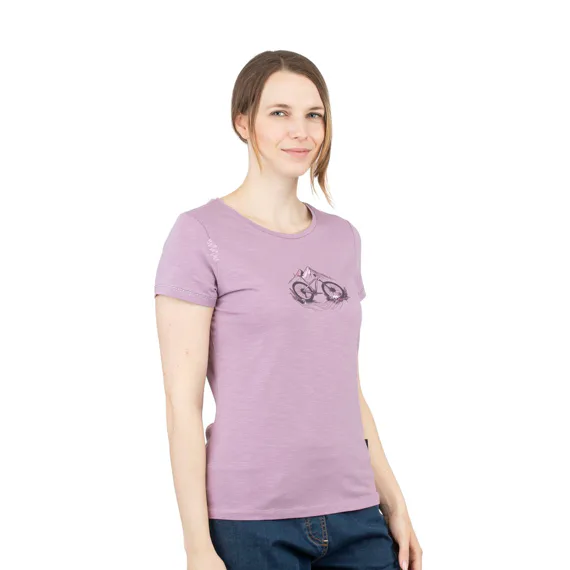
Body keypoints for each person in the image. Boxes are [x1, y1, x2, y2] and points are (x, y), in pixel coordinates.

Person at [154, 50, 423, 570]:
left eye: (313, 114)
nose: (300, 130)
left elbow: (346, 388)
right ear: (243, 122)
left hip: (356, 513)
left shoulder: (342, 238)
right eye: (279, 113)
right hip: (251, 522)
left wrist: (394, 502)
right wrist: (196, 547)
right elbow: (181, 407)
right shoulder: (200, 234)